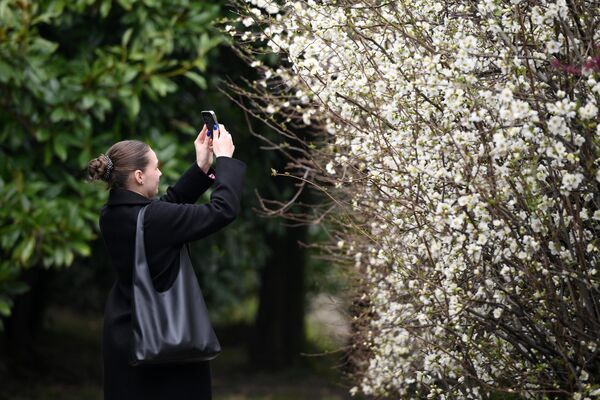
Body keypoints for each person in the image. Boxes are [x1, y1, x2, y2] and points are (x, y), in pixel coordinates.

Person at [87, 123, 246, 400]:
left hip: (124, 337)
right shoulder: (156, 219)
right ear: (139, 176)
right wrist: (224, 161)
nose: (159, 173)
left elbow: (165, 207)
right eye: (155, 167)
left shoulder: (111, 214)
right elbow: (222, 210)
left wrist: (200, 168)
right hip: (168, 344)